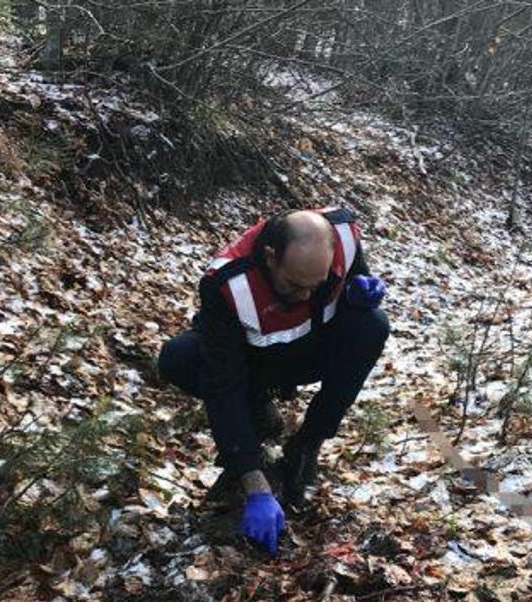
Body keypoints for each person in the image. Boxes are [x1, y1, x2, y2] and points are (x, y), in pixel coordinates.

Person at [158, 208, 389, 556]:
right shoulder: (226, 284)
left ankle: (307, 445)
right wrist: (254, 483)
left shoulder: (343, 235)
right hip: (257, 359)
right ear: (270, 258)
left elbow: (356, 276)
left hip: (314, 349)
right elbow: (223, 384)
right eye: (294, 285)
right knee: (179, 357)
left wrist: (360, 292)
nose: (306, 296)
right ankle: (260, 418)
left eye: (317, 284)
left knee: (371, 325)